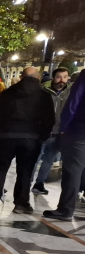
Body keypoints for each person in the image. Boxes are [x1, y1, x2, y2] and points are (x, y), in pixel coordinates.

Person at [0, 67, 55, 214]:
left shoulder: (7, 93)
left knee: (0, 169)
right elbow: (49, 119)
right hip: (30, 138)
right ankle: (21, 204)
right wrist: (42, 137)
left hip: (5, 137)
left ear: (21, 77)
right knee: (25, 171)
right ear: (38, 78)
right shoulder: (43, 95)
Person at [44, 69, 85, 221]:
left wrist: (64, 127)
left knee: (73, 171)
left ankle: (66, 209)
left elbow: (74, 102)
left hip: (79, 131)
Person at [31, 67, 72, 195]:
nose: (62, 80)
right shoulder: (43, 90)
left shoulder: (70, 92)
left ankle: (39, 183)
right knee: (34, 159)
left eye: (65, 77)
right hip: (42, 132)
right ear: (53, 78)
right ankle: (27, 182)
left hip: (59, 132)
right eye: (59, 77)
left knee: (49, 160)